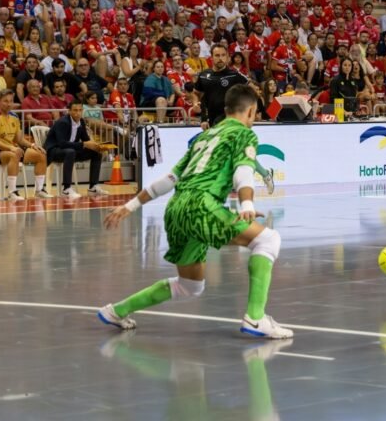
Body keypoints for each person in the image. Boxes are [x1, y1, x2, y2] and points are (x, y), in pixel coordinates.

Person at [98, 84, 292, 340]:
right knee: (268, 240)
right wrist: (247, 204)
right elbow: (244, 171)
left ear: (226, 109)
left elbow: (169, 179)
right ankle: (256, 318)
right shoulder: (243, 134)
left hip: (176, 209)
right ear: (251, 111)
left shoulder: (204, 137)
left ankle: (116, 311)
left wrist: (129, 205)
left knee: (189, 285)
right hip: (202, 205)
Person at [194, 44, 275, 194]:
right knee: (239, 152)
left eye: (223, 55)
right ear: (211, 57)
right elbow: (200, 97)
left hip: (233, 118)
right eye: (217, 55)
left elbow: (253, 90)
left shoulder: (234, 75)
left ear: (227, 57)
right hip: (214, 120)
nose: (220, 58)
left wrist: (253, 112)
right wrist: (203, 118)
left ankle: (230, 181)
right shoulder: (204, 76)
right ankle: (265, 174)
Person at [0, 89, 49, 202]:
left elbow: (19, 139)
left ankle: (39, 190)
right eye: (5, 101)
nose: (9, 104)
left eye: (11, 101)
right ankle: (12, 192)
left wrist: (33, 145)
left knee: (40, 154)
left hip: (12, 148)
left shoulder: (14, 116)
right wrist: (11, 148)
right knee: (14, 155)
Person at [43, 98, 110, 199]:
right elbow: (62, 144)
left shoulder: (81, 122)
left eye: (80, 110)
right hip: (54, 151)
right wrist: (84, 144)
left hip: (71, 151)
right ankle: (66, 189)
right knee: (70, 152)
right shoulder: (63, 122)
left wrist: (97, 146)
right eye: (75, 110)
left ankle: (93, 187)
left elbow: (86, 140)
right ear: (69, 111)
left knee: (96, 153)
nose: (78, 113)